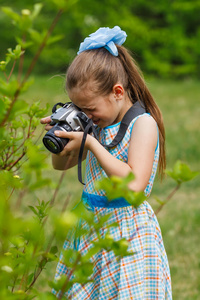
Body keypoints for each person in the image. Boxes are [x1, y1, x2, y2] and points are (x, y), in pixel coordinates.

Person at [41, 26, 172, 299]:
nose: (86, 115)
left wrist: (91, 143)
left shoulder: (142, 124)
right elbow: (59, 166)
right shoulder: (98, 121)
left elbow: (134, 185)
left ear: (117, 92)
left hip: (126, 230)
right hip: (89, 225)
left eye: (89, 109)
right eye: (78, 108)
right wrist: (60, 135)